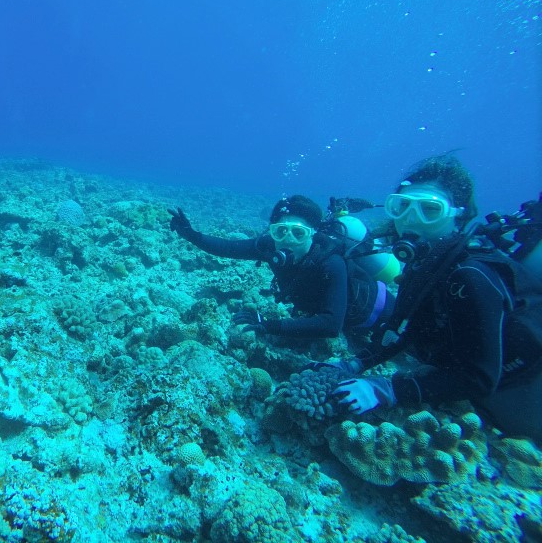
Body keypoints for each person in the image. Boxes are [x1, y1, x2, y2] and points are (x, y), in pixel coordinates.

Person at [333, 155, 542, 442]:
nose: (410, 219)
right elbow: (401, 328)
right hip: (466, 383)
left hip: (521, 393)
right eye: (402, 206)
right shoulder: (426, 265)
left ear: (458, 215)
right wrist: (354, 364)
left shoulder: (470, 275)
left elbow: (478, 378)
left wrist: (387, 389)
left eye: (430, 210)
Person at [168, 195, 394, 339]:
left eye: (298, 233)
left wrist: (267, 325)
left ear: (313, 235)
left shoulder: (330, 263)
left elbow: (331, 325)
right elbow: (228, 248)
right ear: (272, 231)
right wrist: (190, 234)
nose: (287, 240)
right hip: (352, 327)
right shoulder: (268, 246)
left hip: (381, 314)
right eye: (280, 231)